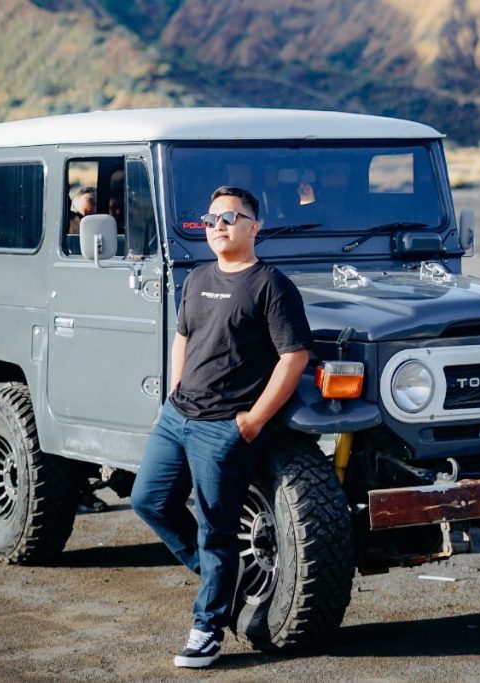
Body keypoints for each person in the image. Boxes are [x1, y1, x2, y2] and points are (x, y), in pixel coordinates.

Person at [130, 186, 312, 668]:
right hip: (178, 417)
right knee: (148, 501)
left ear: (255, 227)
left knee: (216, 531)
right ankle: (221, 578)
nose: (219, 225)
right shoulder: (196, 278)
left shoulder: (271, 285)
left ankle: (206, 629)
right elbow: (183, 336)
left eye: (231, 217)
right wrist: (175, 390)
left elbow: (294, 357)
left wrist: (253, 421)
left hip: (224, 428)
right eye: (211, 218)